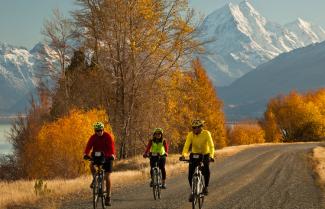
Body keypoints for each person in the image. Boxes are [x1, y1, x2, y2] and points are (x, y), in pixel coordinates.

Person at [179, 119, 215, 201]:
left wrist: (211, 156)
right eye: (193, 128)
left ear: (201, 127)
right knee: (190, 175)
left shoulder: (206, 133)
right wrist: (183, 155)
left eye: (197, 127)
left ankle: (205, 187)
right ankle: (193, 192)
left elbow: (211, 146)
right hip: (194, 155)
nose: (195, 129)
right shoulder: (190, 134)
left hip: (205, 154)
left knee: (206, 169)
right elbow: (186, 146)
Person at [84, 122, 116, 206]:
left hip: (107, 156)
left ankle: (108, 196)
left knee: (107, 176)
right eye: (97, 130)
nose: (99, 132)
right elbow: (88, 146)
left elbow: (112, 147)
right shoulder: (93, 137)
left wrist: (112, 155)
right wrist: (85, 154)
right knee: (91, 165)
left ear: (103, 130)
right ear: (95, 131)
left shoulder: (108, 136)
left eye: (100, 130)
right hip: (97, 156)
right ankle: (95, 179)